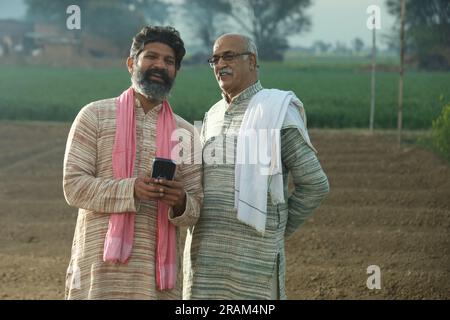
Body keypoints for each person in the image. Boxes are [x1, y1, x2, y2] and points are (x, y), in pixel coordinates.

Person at [183, 34, 329, 300]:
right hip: (206, 256)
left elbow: (315, 184)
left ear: (252, 61)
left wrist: (278, 228)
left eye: (229, 56)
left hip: (255, 258)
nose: (220, 64)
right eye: (214, 59)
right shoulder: (212, 114)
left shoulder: (278, 111)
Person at [63, 26, 202, 299]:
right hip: (98, 270)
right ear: (131, 63)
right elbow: (73, 186)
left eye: (169, 61)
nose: (160, 65)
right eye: (151, 56)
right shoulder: (94, 116)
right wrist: (132, 189)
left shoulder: (186, 133)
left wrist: (180, 200)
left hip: (156, 278)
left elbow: (195, 208)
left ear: (176, 71)